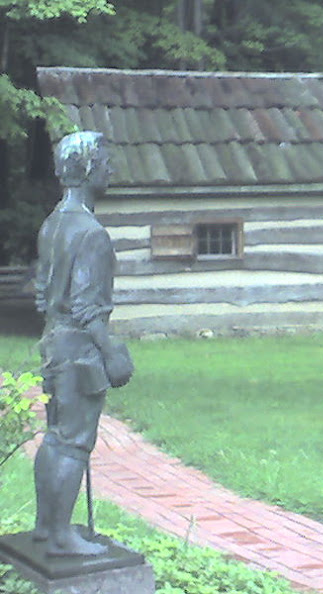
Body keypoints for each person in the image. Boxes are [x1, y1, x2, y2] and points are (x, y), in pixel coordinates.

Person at [32, 131, 133, 557]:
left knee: (55, 436)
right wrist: (112, 354)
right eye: (105, 162)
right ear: (88, 168)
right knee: (74, 441)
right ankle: (61, 536)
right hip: (78, 352)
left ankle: (45, 527)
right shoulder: (91, 232)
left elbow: (43, 293)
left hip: (53, 343)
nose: (111, 169)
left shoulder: (53, 223)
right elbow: (88, 306)